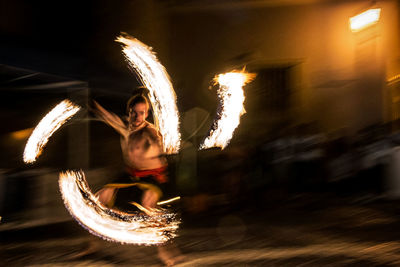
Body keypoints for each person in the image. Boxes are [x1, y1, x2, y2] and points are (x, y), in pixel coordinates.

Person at [90, 92, 182, 266]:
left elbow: (159, 142)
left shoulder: (150, 131)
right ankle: (93, 246)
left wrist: (165, 146)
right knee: (100, 197)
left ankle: (165, 252)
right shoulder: (124, 126)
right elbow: (107, 116)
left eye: (142, 113)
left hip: (153, 175)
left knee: (149, 206)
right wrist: (93, 104)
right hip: (131, 174)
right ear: (129, 111)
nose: (138, 116)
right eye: (135, 112)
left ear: (147, 114)